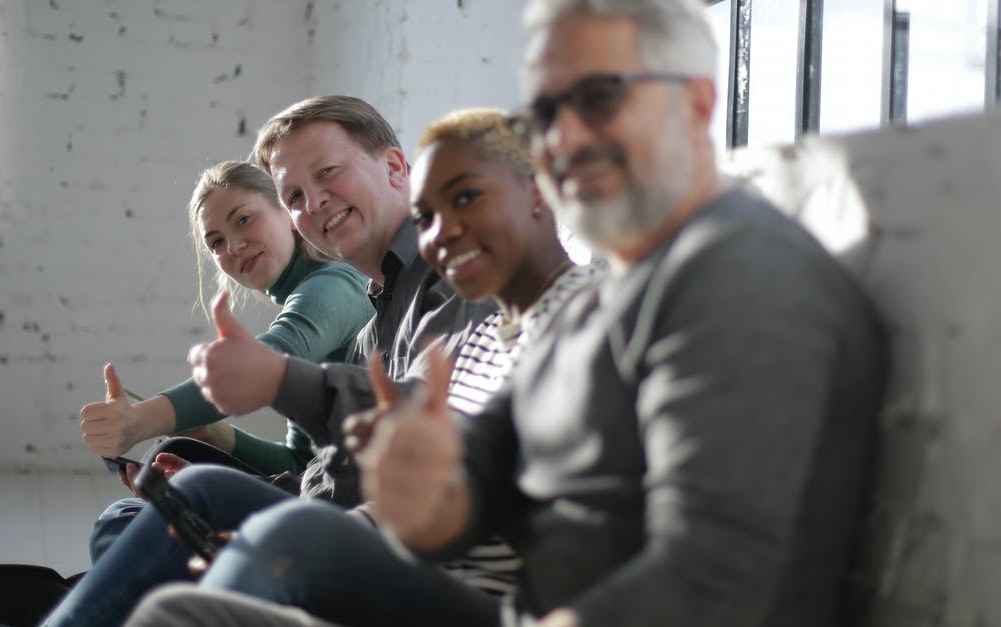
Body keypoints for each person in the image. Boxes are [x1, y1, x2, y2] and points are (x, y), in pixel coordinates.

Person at [125, 1, 888, 626]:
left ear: (694, 102)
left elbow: (718, 567)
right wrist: (422, 491)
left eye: (600, 98)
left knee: (273, 546)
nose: (566, 137)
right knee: (186, 603)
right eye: (549, 109)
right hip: (491, 598)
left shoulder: (744, 277)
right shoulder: (587, 305)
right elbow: (478, 468)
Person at [117, 107, 605, 627]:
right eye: (430, 213)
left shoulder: (582, 315)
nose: (437, 234)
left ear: (539, 195)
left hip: (498, 599)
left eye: (466, 199)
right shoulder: (480, 334)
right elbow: (390, 473)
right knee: (181, 578)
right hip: (419, 556)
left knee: (230, 523)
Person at [39, 96, 495, 627]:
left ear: (396, 167)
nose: (315, 202)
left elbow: (285, 358)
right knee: (153, 510)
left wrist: (145, 421)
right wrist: (222, 448)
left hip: (400, 550)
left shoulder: (436, 277)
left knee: (187, 498)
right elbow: (321, 465)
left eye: (327, 172)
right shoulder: (377, 319)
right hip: (342, 519)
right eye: (296, 194)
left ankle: (96, 599)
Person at [83, 160, 374, 562]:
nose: (232, 246)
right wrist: (220, 438)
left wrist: (142, 420)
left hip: (345, 511)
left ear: (288, 215)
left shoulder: (333, 286)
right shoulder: (311, 290)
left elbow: (258, 361)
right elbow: (302, 462)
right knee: (157, 479)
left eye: (244, 220)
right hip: (320, 488)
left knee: (124, 521)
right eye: (216, 242)